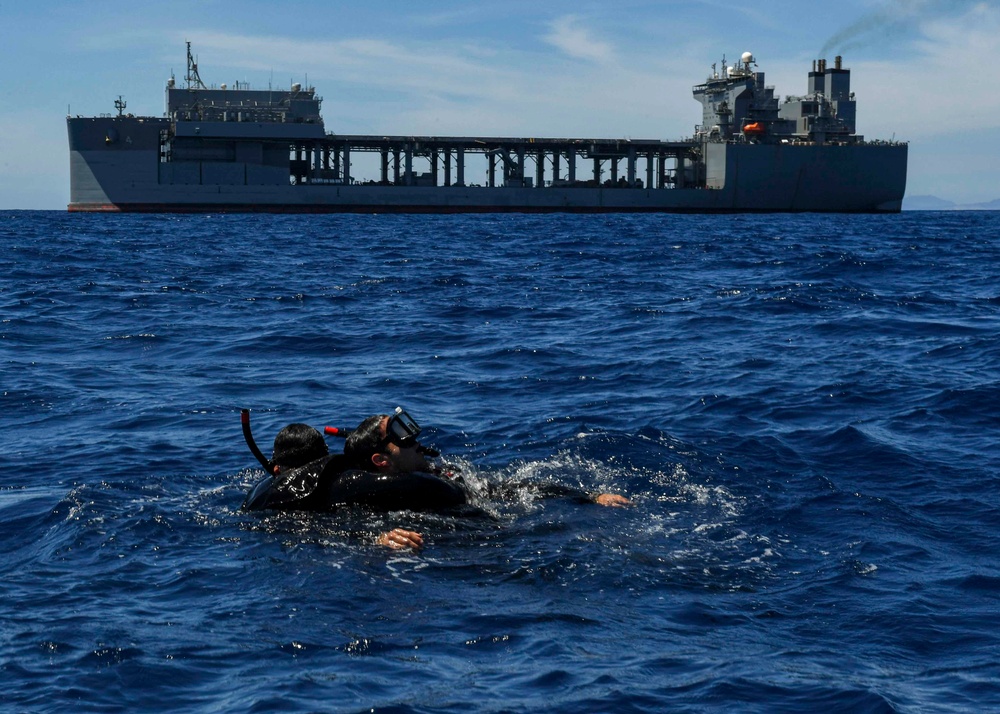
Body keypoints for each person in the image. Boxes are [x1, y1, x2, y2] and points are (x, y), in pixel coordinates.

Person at [243, 407, 630, 550]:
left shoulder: (435, 477)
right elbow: (315, 526)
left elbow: (503, 490)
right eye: (402, 438)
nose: (416, 442)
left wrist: (586, 496)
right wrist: (372, 539)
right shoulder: (358, 491)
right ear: (381, 461)